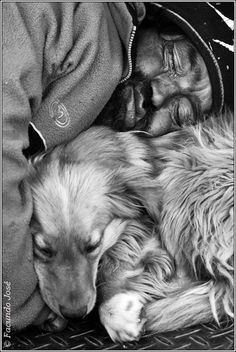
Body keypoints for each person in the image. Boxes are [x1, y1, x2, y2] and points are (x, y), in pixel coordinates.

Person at [3, 2, 233, 331]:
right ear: (155, 22)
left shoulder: (118, 166)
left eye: (182, 111)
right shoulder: (68, 16)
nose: (160, 94)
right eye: (175, 60)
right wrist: (20, 304)